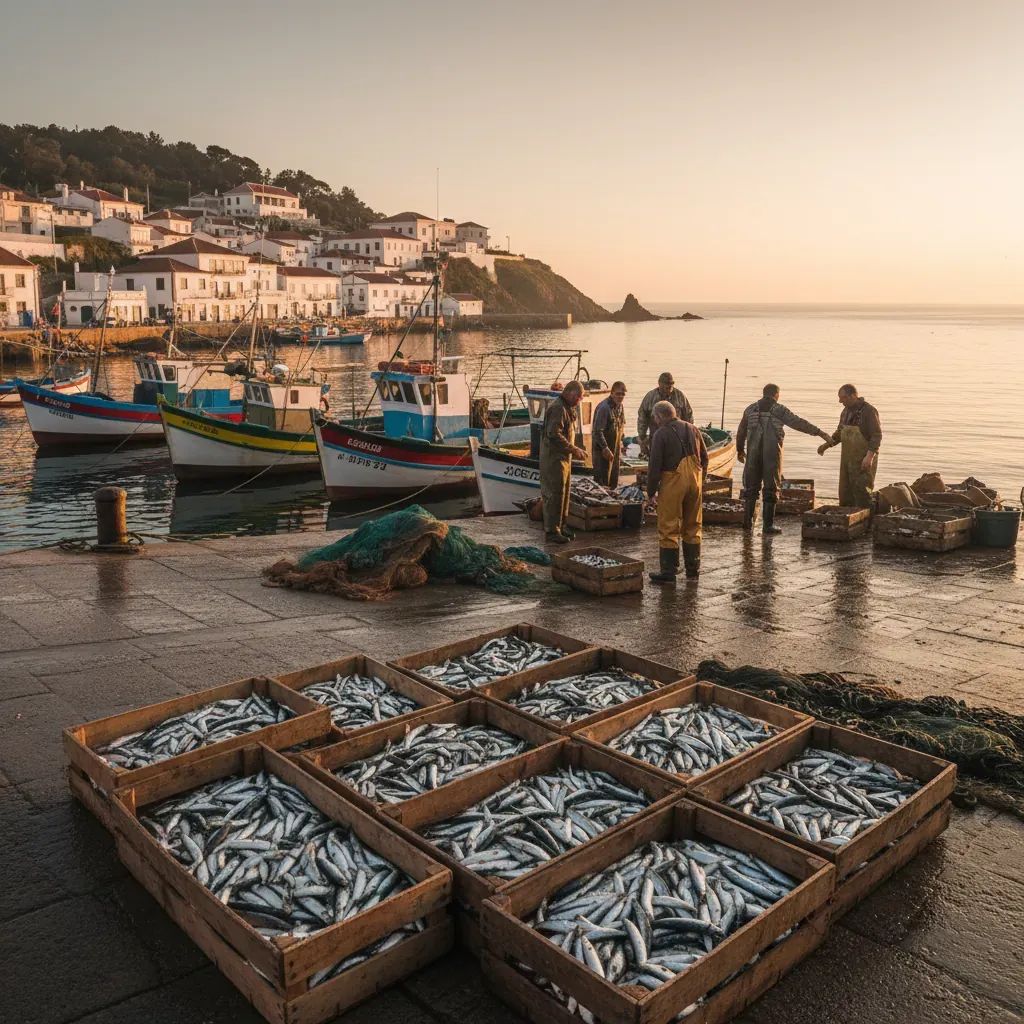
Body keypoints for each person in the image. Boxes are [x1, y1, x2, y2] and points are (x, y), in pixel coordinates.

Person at [736, 384, 832, 534]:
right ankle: (768, 526)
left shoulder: (750, 409)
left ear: (763, 393)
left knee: (751, 489)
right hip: (772, 456)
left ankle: (747, 523)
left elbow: (741, 431)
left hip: (752, 456)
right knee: (771, 489)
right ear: (776, 395)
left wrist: (740, 450)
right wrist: (820, 433)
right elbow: (799, 423)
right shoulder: (779, 410)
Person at [646, 400, 708, 582]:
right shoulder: (693, 428)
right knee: (693, 525)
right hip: (695, 481)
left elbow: (654, 466)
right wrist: (700, 481)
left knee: (668, 526)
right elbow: (705, 457)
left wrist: (651, 492)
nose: (655, 421)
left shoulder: (661, 434)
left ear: (659, 416)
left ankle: (668, 572)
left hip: (673, 482)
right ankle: (693, 570)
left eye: (655, 418)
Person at [818, 385, 882, 508]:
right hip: (847, 462)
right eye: (839, 398)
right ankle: (847, 519)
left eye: (843, 398)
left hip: (864, 460)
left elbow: (876, 436)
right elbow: (839, 434)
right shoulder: (845, 412)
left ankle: (866, 519)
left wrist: (869, 457)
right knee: (845, 491)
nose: (840, 401)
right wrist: (826, 445)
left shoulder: (869, 411)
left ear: (853, 395)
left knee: (864, 491)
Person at [540, 380, 587, 543]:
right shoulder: (558, 408)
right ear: (571, 393)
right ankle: (552, 530)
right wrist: (574, 449)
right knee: (554, 494)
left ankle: (562, 525)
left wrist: (574, 450)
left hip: (564, 458)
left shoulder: (568, 407)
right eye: (579, 397)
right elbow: (554, 434)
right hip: (553, 458)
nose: (579, 401)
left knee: (565, 492)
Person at [637, 372, 693, 455]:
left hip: (676, 436)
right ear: (659, 383)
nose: (669, 385)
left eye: (672, 383)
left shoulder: (680, 396)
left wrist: (689, 434)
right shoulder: (650, 397)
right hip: (656, 435)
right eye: (667, 383)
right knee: (656, 457)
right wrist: (642, 437)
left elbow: (688, 415)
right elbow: (642, 417)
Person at [592, 381, 627, 488]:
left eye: (622, 394)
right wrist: (605, 448)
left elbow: (622, 425)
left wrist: (622, 443)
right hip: (602, 450)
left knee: (613, 480)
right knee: (602, 482)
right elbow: (597, 431)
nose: (620, 396)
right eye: (618, 394)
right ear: (612, 393)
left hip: (615, 449)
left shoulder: (620, 406)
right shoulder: (604, 408)